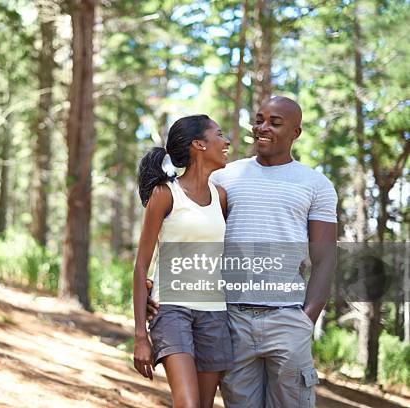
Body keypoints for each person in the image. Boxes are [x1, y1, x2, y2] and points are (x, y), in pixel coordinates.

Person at [146, 96, 338, 408]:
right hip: (231, 320)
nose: (262, 128)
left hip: (288, 319)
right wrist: (155, 282)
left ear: (296, 132)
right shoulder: (223, 177)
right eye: (259, 119)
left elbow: (325, 257)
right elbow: (189, 233)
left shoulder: (316, 184)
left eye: (275, 123)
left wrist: (307, 318)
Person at [133, 114, 233, 408]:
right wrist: (140, 335)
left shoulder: (221, 197)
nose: (226, 141)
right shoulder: (165, 194)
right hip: (173, 311)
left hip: (214, 314)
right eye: (220, 134)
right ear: (199, 144)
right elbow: (141, 266)